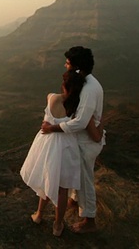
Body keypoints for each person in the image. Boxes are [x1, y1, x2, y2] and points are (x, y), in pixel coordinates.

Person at [20, 69, 101, 237]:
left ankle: (39, 215)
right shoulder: (78, 108)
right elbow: (91, 131)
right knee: (62, 188)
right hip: (67, 148)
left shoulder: (52, 98)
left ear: (64, 85)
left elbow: (49, 101)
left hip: (47, 145)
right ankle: (58, 225)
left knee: (46, 179)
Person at [41, 46, 104, 234]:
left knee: (85, 181)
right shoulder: (86, 83)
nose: (64, 65)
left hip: (86, 142)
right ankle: (74, 201)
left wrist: (52, 128)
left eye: (68, 63)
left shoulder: (89, 89)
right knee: (77, 174)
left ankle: (89, 220)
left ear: (77, 67)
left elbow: (80, 122)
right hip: (84, 139)